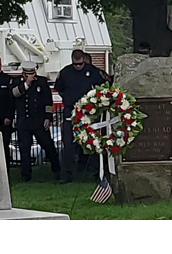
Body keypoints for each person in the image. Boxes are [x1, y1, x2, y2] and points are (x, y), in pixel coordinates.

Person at [54, 50, 109, 183]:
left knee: (93, 141)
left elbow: (103, 87)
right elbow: (60, 89)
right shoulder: (66, 72)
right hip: (71, 111)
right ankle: (67, 174)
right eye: (76, 64)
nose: (78, 67)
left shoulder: (93, 71)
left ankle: (97, 172)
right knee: (68, 143)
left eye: (80, 64)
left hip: (88, 112)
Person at [10, 61, 61, 182]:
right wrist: (27, 84)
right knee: (24, 149)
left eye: (33, 73)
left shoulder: (41, 82)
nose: (32, 76)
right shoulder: (16, 82)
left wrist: (48, 117)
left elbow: (48, 101)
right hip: (24, 121)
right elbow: (14, 94)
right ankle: (26, 174)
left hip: (38, 121)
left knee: (48, 146)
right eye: (29, 74)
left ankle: (57, 170)